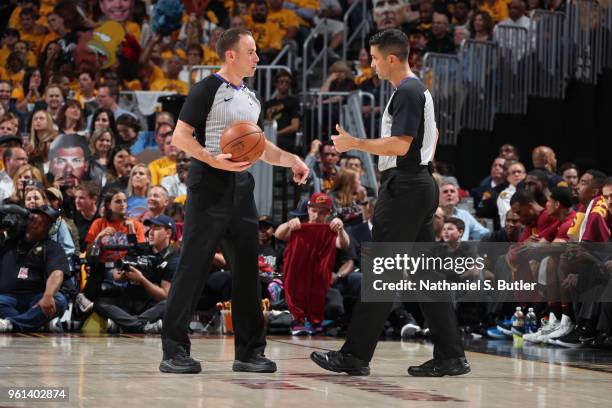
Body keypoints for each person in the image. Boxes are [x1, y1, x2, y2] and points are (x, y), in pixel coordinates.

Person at [310, 29, 469, 377]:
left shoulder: (409, 90)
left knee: (382, 271)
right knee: (428, 277)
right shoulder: (414, 90)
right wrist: (424, 169)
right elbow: (435, 135)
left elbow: (399, 145)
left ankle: (354, 355)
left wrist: (355, 143)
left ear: (392, 58)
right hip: (418, 182)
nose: (372, 65)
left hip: (407, 185)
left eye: (376, 58)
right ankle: (451, 356)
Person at [160, 28, 309, 374]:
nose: (258, 59)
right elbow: (181, 136)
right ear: (231, 55)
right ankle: (174, 350)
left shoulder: (252, 98)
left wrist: (293, 160)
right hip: (208, 184)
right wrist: (211, 158)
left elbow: (259, 147)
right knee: (193, 268)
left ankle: (249, 352)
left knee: (246, 271)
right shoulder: (207, 88)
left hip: (241, 188)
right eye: (252, 52)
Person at [0, 205, 69, 333]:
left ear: (49, 227)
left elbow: (57, 273)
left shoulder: (52, 247)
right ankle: (35, 323)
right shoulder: (7, 241)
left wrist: (48, 295)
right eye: (33, 219)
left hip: (37, 297)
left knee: (59, 300)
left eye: (42, 222)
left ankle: (11, 324)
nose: (35, 223)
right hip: (7, 298)